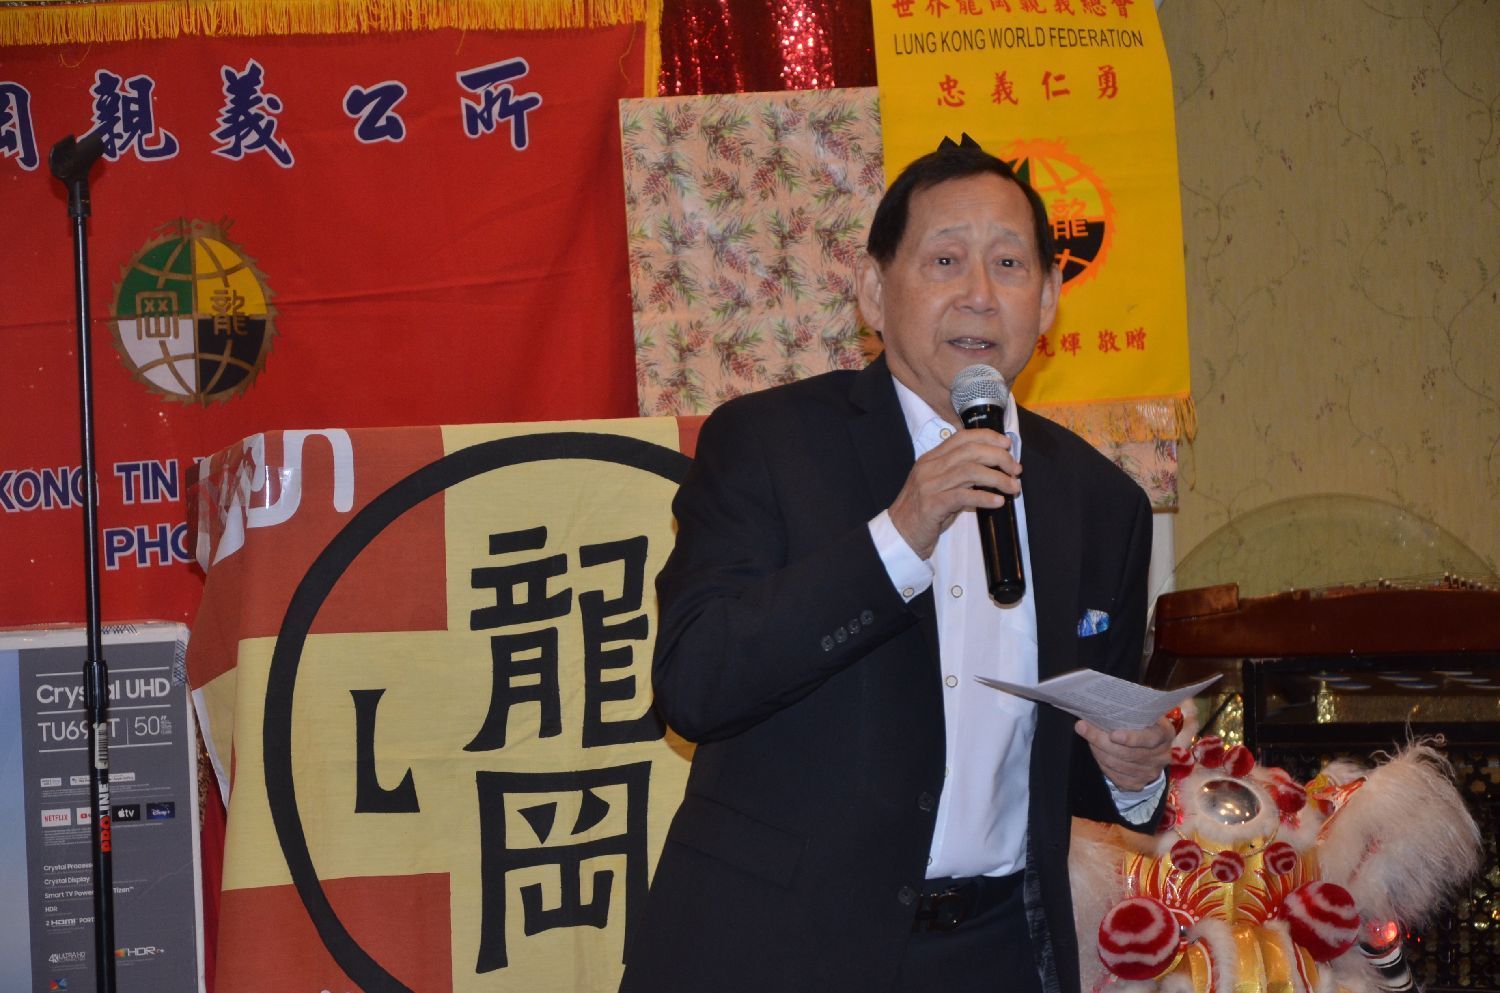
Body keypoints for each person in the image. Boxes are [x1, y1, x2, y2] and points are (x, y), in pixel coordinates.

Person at [618, 141, 1174, 993]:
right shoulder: (768, 444)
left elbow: (1068, 761)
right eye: (945, 259)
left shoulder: (1101, 502)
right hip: (781, 952)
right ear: (874, 292)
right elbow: (694, 684)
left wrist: (1131, 774)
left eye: (1009, 264)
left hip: (995, 954)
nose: (979, 293)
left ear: (1049, 300)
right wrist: (900, 534)